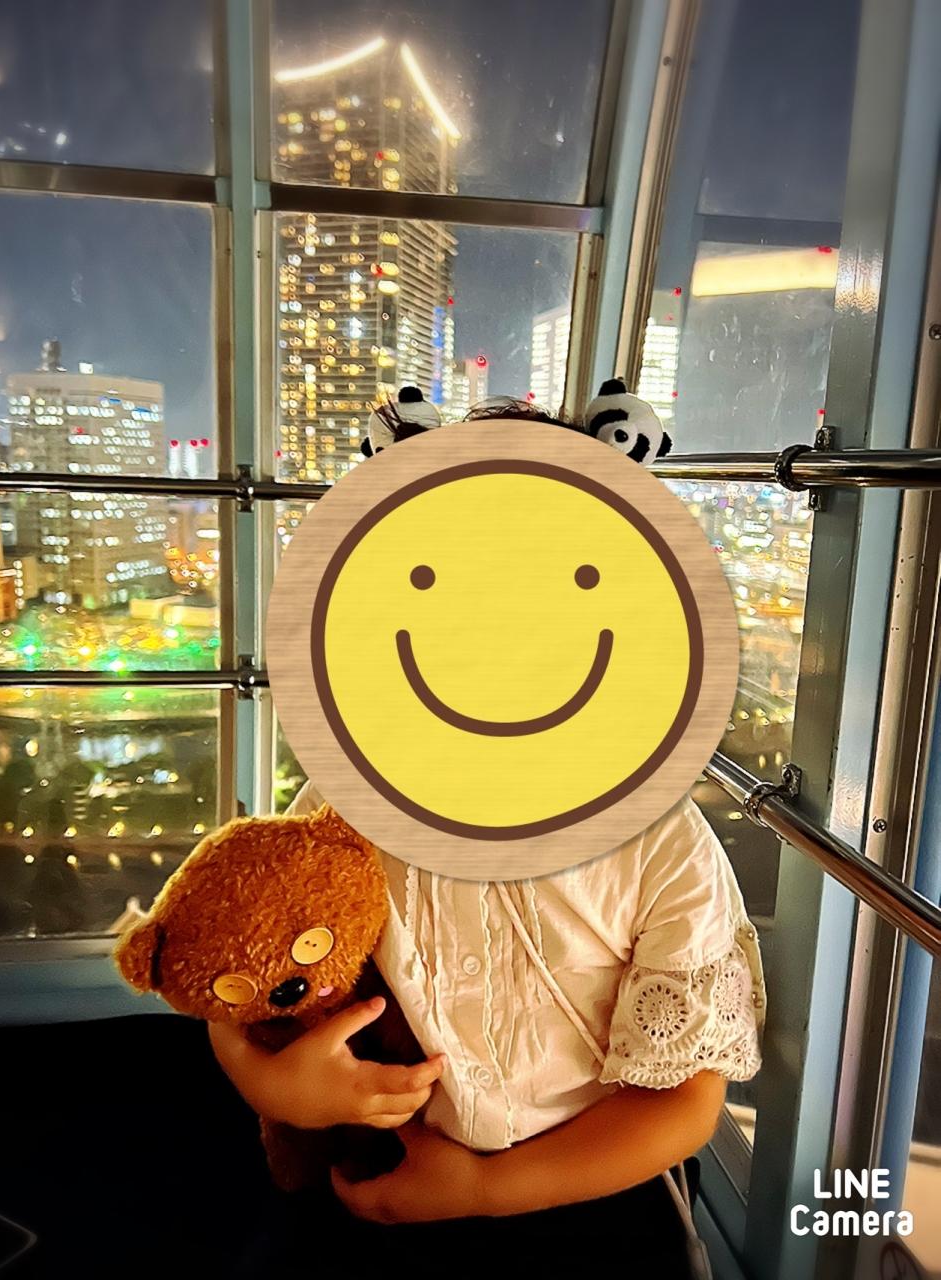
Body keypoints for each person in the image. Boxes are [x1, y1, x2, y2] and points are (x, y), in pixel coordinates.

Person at [210, 396, 765, 1275]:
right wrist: (275, 1084)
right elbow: (241, 972)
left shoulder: (662, 845)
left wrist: (483, 1189)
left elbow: (682, 1104)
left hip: (593, 1178)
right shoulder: (343, 806)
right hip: (372, 1165)